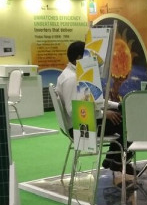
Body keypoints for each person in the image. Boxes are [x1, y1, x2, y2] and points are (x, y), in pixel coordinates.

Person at [57, 41, 134, 175]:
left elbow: (94, 101)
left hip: (86, 122)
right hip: (82, 127)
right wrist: (104, 114)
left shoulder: (74, 75)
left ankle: (112, 158)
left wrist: (117, 105)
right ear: (79, 58)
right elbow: (73, 111)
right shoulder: (72, 79)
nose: (93, 59)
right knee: (130, 124)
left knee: (121, 115)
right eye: (89, 55)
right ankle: (118, 162)